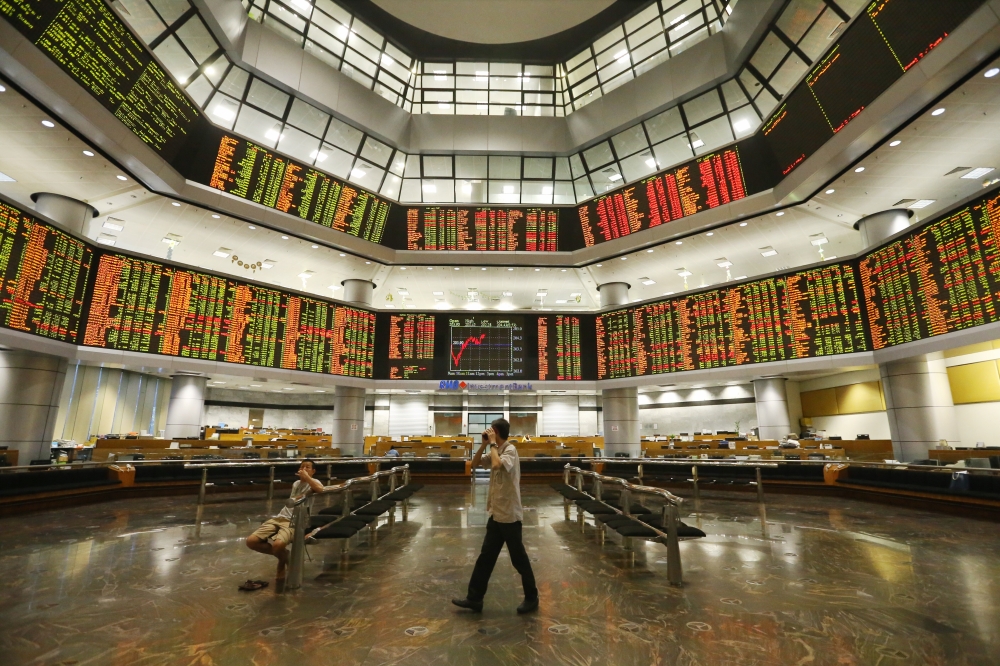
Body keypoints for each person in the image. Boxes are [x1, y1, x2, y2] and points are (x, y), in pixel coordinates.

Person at [452, 418, 538, 614]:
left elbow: (498, 465)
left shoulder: (509, 450)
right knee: (485, 558)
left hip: (510, 515)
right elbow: (473, 464)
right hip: (496, 514)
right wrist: (484, 444)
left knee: (519, 560)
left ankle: (532, 598)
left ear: (496, 432)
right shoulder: (494, 449)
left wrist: (491, 444)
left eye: (491, 431)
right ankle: (474, 598)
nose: (488, 432)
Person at [245, 459, 324, 579]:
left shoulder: (314, 481)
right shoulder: (296, 484)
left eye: (307, 467)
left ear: (313, 471)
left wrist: (307, 477)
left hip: (294, 520)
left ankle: (281, 562)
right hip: (280, 517)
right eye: (302, 467)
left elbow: (320, 489)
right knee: (251, 541)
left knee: (278, 545)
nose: (303, 469)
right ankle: (285, 556)